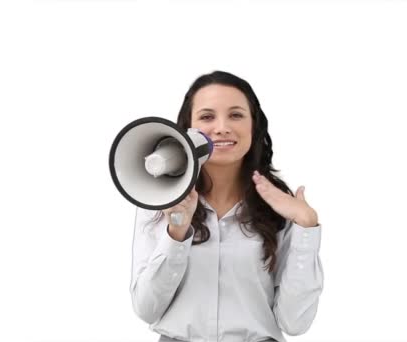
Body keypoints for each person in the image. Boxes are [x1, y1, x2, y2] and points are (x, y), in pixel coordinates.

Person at [130, 70, 323, 342]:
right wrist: (177, 231)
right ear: (188, 128)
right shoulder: (159, 201)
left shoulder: (280, 207)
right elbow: (147, 309)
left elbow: (295, 322)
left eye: (235, 115)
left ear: (254, 125)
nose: (221, 127)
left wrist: (306, 227)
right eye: (207, 117)